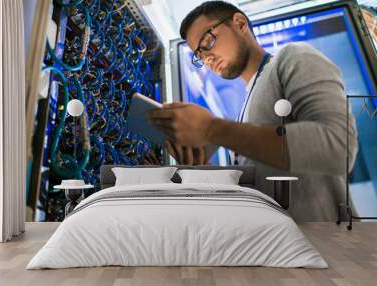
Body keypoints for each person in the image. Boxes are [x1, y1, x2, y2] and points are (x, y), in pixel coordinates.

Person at [147, 1, 358, 222]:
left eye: (207, 41)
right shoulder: (242, 113)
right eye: (198, 55)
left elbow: (338, 146)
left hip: (322, 248)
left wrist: (210, 128)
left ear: (239, 23)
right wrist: (196, 171)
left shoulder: (293, 57)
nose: (206, 58)